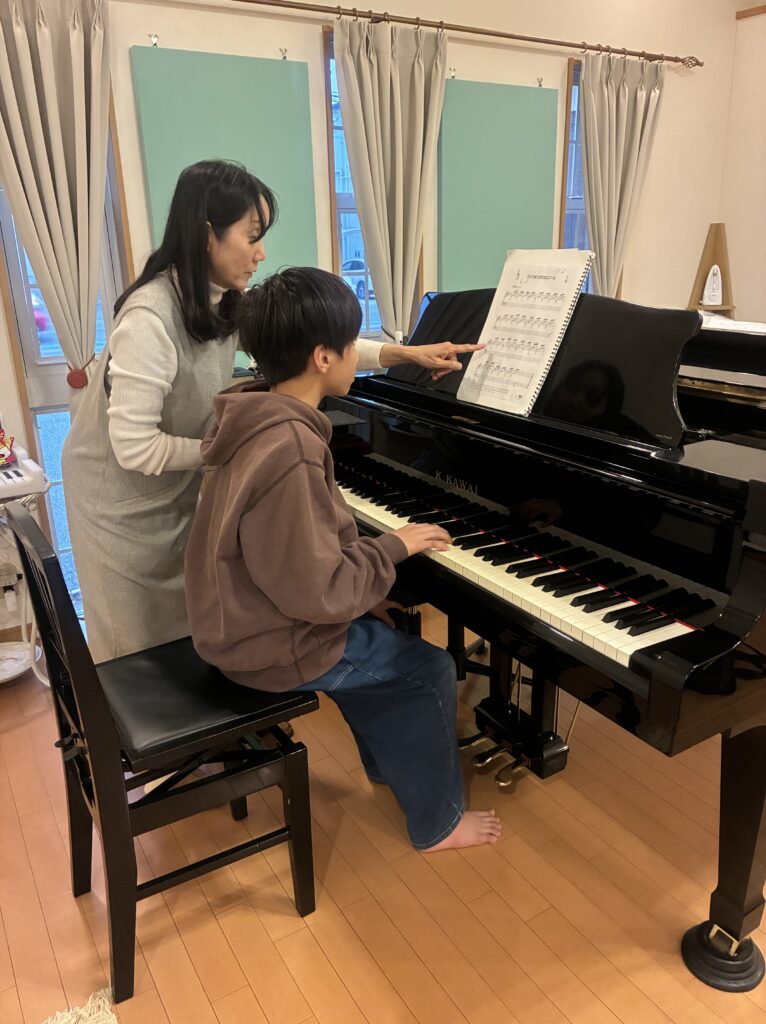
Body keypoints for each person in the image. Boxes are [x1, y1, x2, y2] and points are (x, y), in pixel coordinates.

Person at [62, 159, 481, 663]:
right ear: (207, 235)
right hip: (120, 507)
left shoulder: (221, 299)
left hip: (175, 484)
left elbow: (314, 344)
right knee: (140, 653)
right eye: (252, 236)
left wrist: (406, 354)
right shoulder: (149, 319)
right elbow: (135, 448)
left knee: (188, 629)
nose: (261, 253)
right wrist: (242, 452)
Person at [184, 267, 502, 851]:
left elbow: (299, 557)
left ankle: (389, 765)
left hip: (241, 619)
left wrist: (362, 592)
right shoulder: (291, 448)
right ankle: (439, 823)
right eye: (353, 343)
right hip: (269, 644)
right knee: (429, 669)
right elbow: (318, 592)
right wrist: (393, 546)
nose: (360, 353)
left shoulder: (254, 414)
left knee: (380, 635)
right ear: (323, 356)